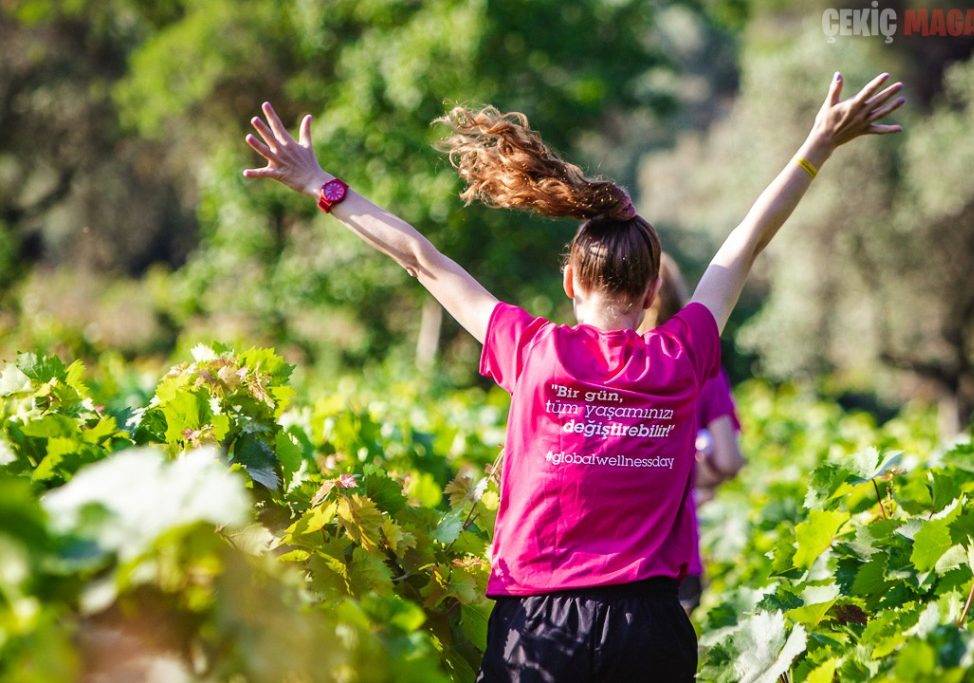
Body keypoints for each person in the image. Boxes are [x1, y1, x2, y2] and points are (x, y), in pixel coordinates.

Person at [242, 71, 904, 682]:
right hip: (649, 628)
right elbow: (746, 242)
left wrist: (323, 186)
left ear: (568, 280)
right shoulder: (680, 353)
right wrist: (817, 144)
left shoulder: (533, 350)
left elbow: (424, 261)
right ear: (653, 293)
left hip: (538, 626)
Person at [638, 254, 745, 614]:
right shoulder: (702, 368)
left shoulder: (605, 367)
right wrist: (694, 476)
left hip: (611, 564)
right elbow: (729, 461)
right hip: (679, 557)